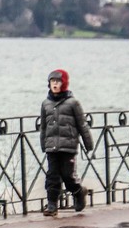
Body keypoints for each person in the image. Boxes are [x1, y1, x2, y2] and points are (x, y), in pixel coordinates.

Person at [39, 70, 94, 216]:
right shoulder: (46, 104)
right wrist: (43, 144)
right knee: (52, 175)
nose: (55, 84)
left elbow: (82, 124)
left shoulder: (73, 103)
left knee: (67, 175)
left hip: (68, 145)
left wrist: (88, 143)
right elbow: (43, 127)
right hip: (52, 146)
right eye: (52, 82)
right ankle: (51, 205)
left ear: (64, 84)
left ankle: (78, 192)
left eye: (58, 81)